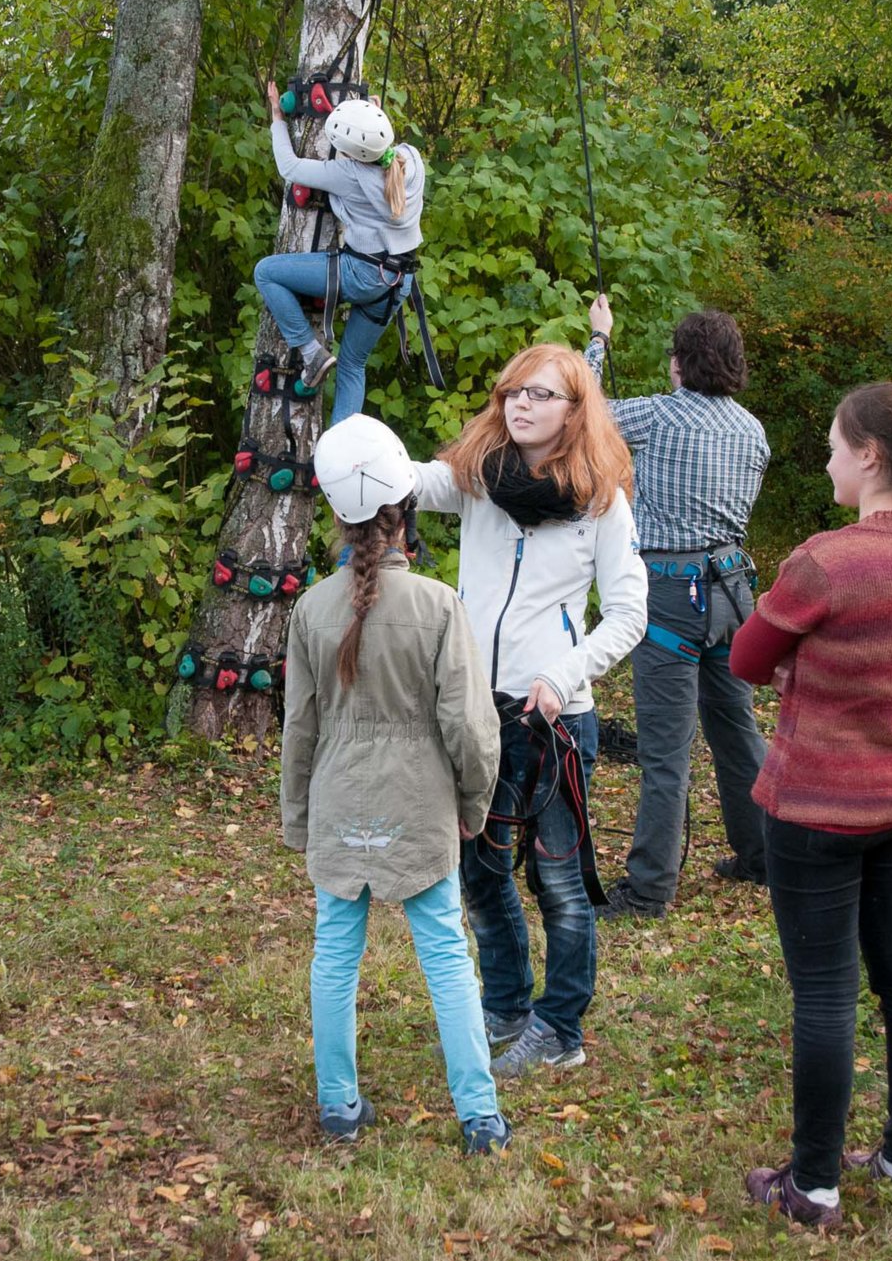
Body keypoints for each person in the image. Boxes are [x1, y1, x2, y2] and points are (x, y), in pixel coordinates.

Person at [728, 382, 892, 1227]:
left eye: (835, 445)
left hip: (818, 809)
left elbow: (747, 659)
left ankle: (814, 1184)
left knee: (825, 993)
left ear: (870, 455)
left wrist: (803, 666)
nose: (827, 459)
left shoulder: (826, 560)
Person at [412, 345, 648, 1080]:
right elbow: (405, 483)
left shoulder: (603, 500)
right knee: (480, 871)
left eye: (540, 394)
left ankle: (560, 1025)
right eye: (512, 390)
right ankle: (506, 1003)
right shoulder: (476, 479)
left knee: (560, 883)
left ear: (575, 408)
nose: (519, 404)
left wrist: (564, 669)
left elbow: (630, 611)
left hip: (555, 719)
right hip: (476, 713)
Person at [281, 414, 508, 1153]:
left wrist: (297, 818)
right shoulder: (439, 606)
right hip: (420, 808)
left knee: (333, 955)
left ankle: (338, 1105)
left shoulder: (311, 610)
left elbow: (300, 730)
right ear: (406, 511)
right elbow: (471, 728)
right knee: (446, 952)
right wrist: (474, 802)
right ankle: (479, 1114)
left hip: (340, 805)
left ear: (340, 519)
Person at [582, 297, 773, 918]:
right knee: (736, 730)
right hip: (731, 588)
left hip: (668, 590)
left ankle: (649, 888)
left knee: (666, 750)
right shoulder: (752, 430)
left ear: (680, 364)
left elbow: (581, 413)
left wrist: (599, 341)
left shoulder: (658, 418)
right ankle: (763, 855)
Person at [254, 86, 426, 425]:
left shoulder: (346, 174)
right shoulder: (413, 160)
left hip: (361, 274)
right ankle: (343, 458)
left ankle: (310, 353)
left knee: (266, 272)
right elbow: (385, 155)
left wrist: (277, 119)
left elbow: (290, 168)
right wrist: (376, 117)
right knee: (352, 365)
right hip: (399, 281)